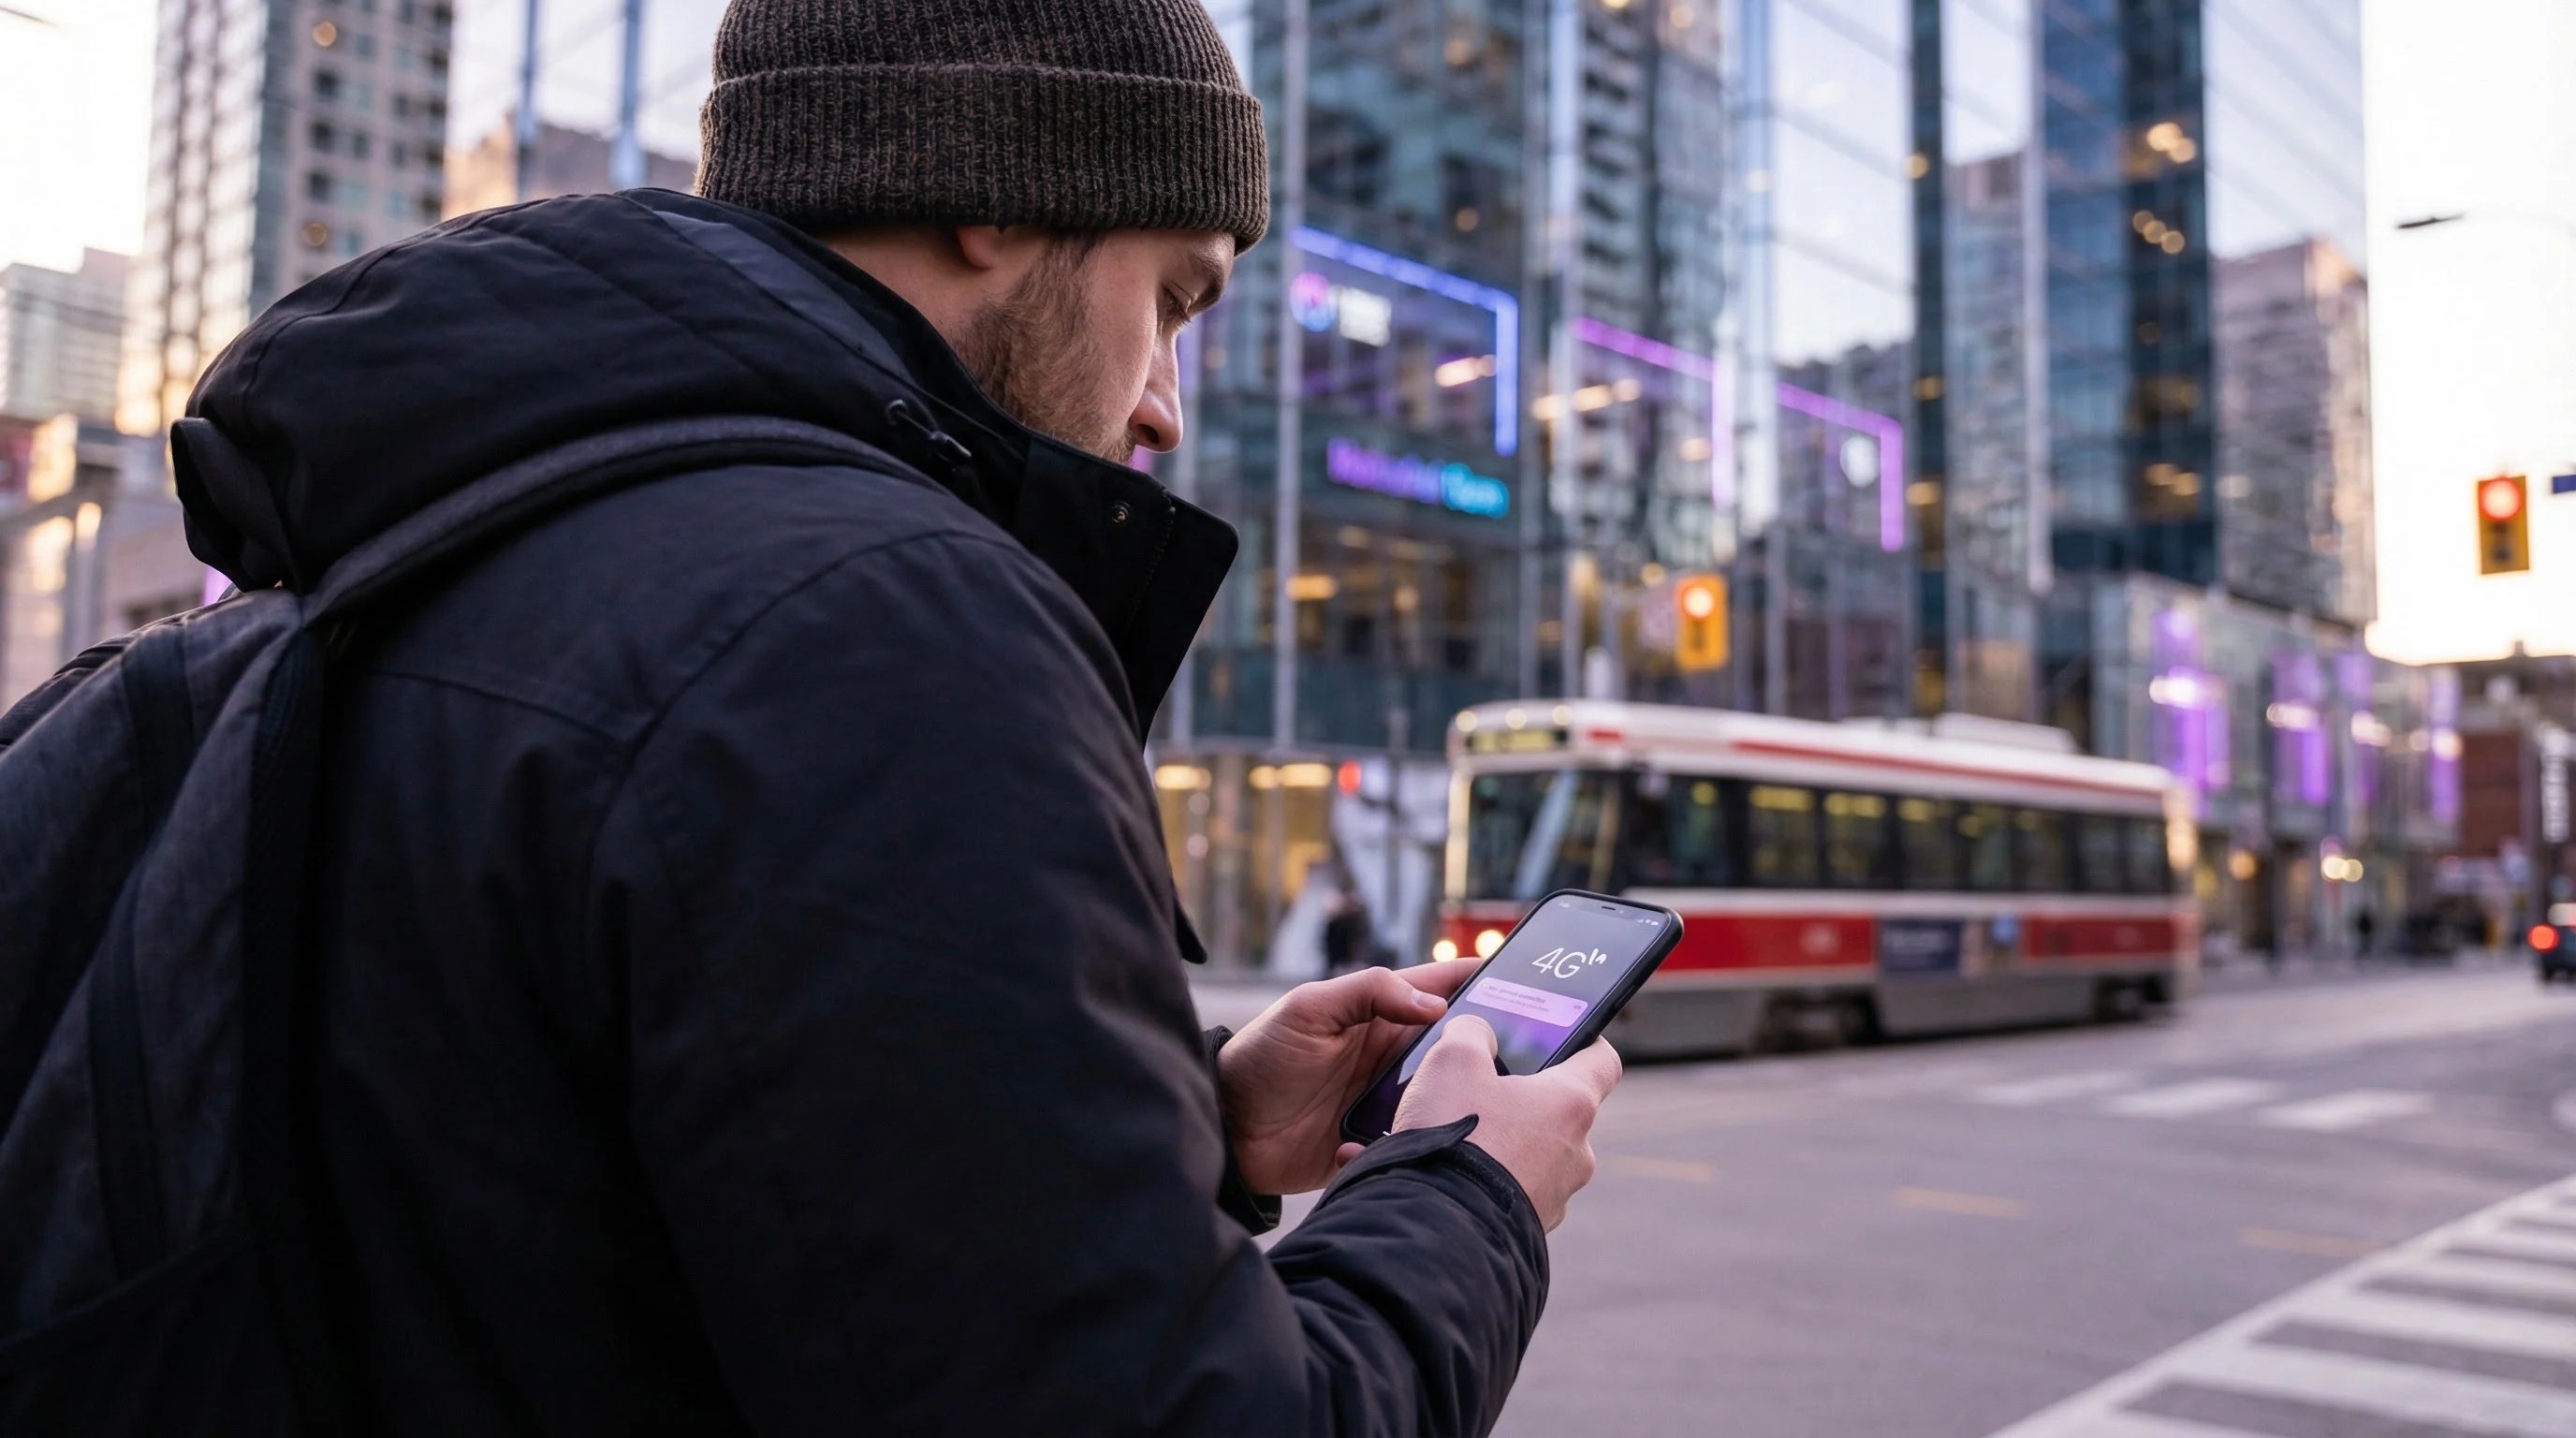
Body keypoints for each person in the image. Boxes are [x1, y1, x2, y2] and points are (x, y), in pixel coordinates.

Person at [171, 1, 1624, 1431]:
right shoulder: (879, 621)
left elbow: (583, 1192)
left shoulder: (426, 558)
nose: (1164, 407)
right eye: (1172, 301)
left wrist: (1197, 1118)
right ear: (1005, 178)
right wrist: (1467, 1195)